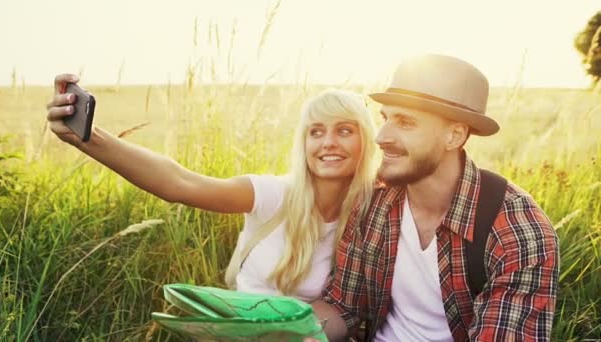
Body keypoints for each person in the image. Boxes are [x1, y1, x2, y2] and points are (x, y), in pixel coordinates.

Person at [45, 74, 378, 303]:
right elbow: (179, 183)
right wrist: (87, 138)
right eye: (316, 132)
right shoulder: (274, 195)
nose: (328, 143)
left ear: (367, 138)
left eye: (345, 131)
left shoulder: (375, 213)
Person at [308, 54, 559, 341]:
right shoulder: (372, 202)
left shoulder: (517, 230)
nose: (381, 136)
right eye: (385, 118)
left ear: (454, 136)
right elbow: (343, 306)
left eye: (405, 122)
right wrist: (298, 332)